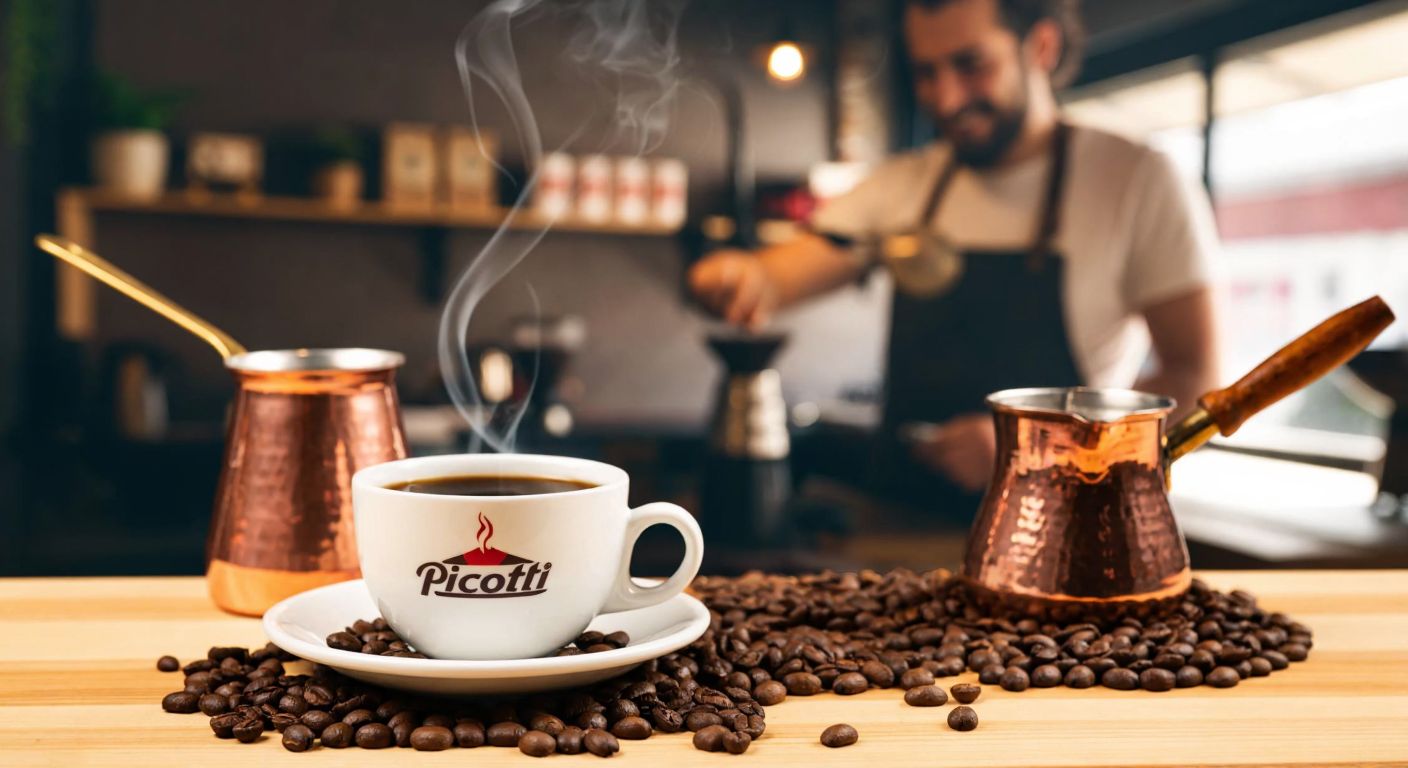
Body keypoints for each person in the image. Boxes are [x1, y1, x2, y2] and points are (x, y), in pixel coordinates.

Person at [689, 0, 1220, 517]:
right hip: (901, 534)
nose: (945, 98)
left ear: (1041, 46)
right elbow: (776, 277)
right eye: (925, 72)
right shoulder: (908, 184)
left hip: (1060, 536)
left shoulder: (1135, 180)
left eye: (971, 64)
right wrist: (738, 276)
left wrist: (1047, 448)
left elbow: (1195, 375)